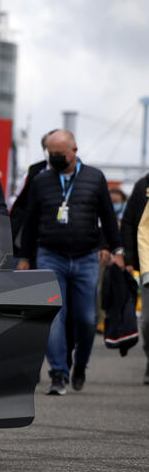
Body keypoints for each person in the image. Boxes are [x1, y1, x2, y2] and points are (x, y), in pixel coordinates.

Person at [17, 129, 123, 395]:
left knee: (86, 319)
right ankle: (58, 373)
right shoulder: (41, 181)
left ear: (74, 151)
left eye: (60, 154)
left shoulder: (95, 178)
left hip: (86, 257)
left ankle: (81, 365)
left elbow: (108, 218)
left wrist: (117, 249)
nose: (55, 158)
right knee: (53, 317)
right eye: (51, 154)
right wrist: (25, 257)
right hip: (50, 255)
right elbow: (29, 222)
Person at [10, 129, 59, 263]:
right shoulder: (33, 173)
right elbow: (18, 207)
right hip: (30, 243)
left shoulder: (77, 175)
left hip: (60, 243)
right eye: (47, 147)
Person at [120, 175, 149, 384]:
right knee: (147, 322)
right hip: (148, 262)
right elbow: (130, 222)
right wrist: (129, 258)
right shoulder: (143, 185)